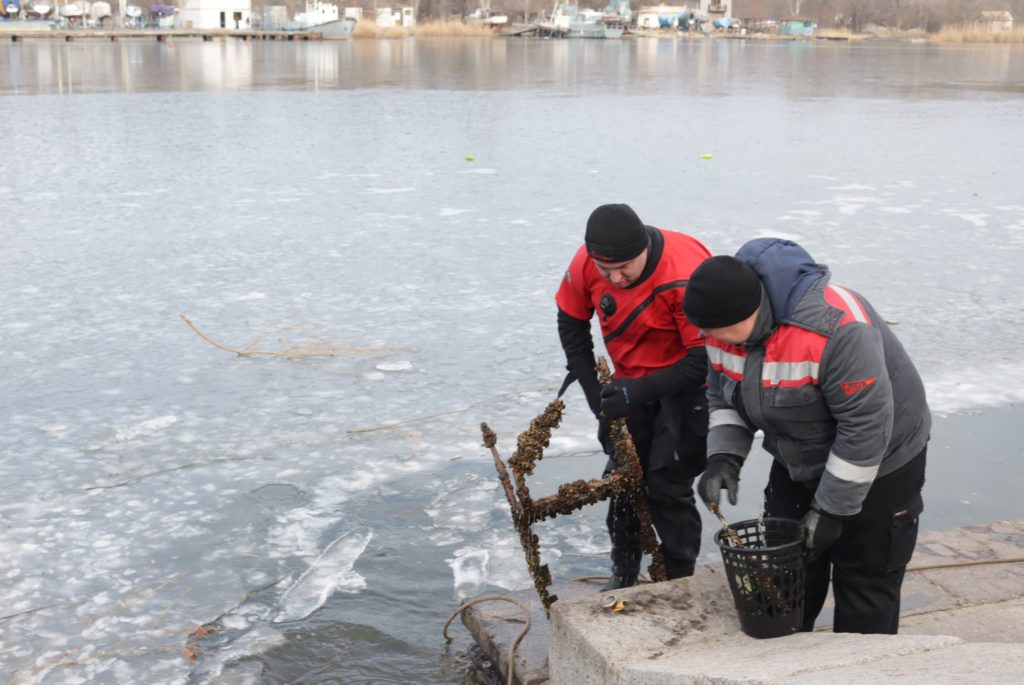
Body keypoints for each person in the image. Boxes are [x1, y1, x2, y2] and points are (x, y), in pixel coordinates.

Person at [683, 238, 930, 634]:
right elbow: (721, 393)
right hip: (798, 455)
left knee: (864, 582)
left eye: (724, 331)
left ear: (754, 309)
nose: (717, 340)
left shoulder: (836, 329)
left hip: (883, 460)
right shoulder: (721, 328)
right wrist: (723, 456)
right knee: (786, 579)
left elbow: (865, 428)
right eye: (709, 332)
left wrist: (832, 510)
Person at [555, 203, 712, 589]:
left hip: (686, 388)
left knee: (666, 486)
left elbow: (703, 361)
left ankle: (679, 581)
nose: (616, 278)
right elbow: (571, 324)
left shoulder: (685, 272)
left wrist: (638, 391)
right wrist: (597, 398)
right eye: (606, 271)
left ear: (643, 248)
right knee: (623, 480)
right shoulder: (587, 263)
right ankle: (624, 573)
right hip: (628, 385)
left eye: (624, 268)